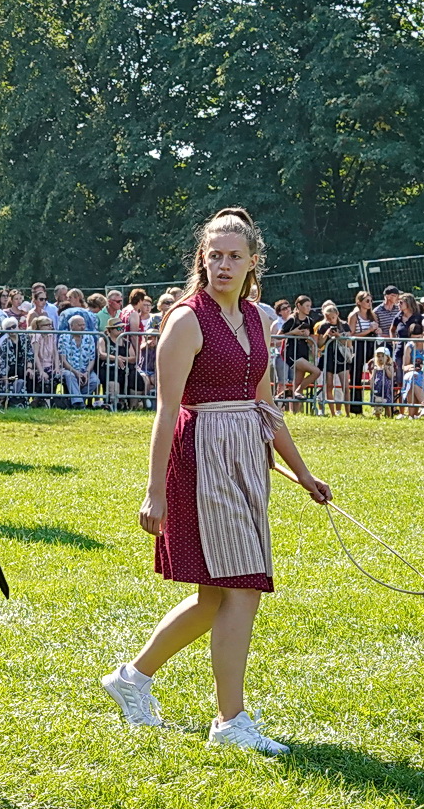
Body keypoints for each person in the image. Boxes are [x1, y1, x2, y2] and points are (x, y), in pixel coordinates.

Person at [102, 208, 329, 755]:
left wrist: (302, 471)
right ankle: (231, 721)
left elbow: (266, 403)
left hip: (246, 458)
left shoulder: (257, 319)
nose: (222, 265)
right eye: (214, 255)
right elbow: (166, 411)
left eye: (234, 256)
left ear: (254, 262)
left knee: (213, 597)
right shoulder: (186, 320)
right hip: (202, 459)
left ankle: (132, 678)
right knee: (243, 587)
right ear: (201, 260)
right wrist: (154, 490)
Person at [280, 295, 320, 406]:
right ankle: (297, 391)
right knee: (316, 372)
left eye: (310, 306)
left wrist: (308, 337)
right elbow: (278, 336)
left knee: (297, 384)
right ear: (299, 305)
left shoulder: (309, 321)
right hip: (292, 354)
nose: (309, 308)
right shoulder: (292, 319)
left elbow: (312, 342)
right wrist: (294, 333)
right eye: (307, 306)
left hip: (304, 353)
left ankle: (295, 411)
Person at [313, 301, 348, 415]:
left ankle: (347, 413)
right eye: (328, 318)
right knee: (329, 385)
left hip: (341, 357)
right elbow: (319, 344)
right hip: (327, 357)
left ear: (337, 314)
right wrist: (327, 334)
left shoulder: (344, 325)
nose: (331, 320)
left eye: (332, 317)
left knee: (345, 386)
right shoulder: (323, 326)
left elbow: (348, 342)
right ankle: (332, 413)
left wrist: (339, 336)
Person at [57, 313, 99, 407]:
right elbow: (63, 359)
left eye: (84, 324)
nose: (83, 327)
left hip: (85, 369)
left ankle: (74, 401)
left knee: (95, 381)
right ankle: (78, 403)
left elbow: (92, 359)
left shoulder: (89, 337)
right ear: (71, 326)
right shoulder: (64, 337)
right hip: (69, 369)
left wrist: (87, 373)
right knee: (69, 375)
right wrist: (76, 372)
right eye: (80, 325)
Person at [346, 291, 376, 416]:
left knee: (376, 373)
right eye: (366, 301)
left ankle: (378, 406)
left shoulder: (372, 315)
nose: (369, 303)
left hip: (370, 346)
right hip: (358, 347)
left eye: (370, 301)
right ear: (359, 302)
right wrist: (369, 330)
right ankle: (356, 409)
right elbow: (350, 334)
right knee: (356, 377)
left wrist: (375, 330)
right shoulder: (354, 316)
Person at [367, 347, 397, 418]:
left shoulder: (389, 366)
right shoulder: (375, 367)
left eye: (383, 356)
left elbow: (391, 376)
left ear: (387, 357)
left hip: (386, 389)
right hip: (377, 388)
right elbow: (372, 377)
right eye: (378, 356)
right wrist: (371, 385)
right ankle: (378, 417)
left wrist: (386, 369)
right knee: (377, 404)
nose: (380, 358)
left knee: (387, 404)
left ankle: (388, 416)